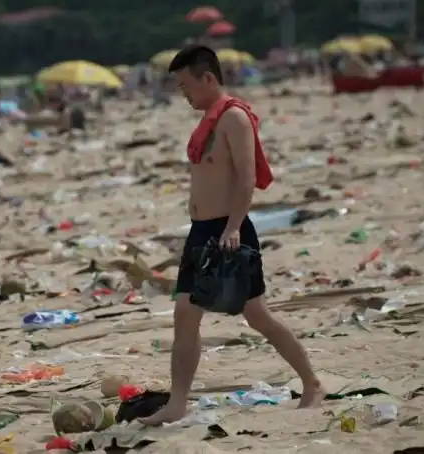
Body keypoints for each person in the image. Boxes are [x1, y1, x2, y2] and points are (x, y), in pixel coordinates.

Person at [139, 45, 325, 426]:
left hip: (229, 231)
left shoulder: (234, 118)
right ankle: (177, 403)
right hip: (201, 232)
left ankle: (312, 383)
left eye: (186, 85)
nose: (183, 93)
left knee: (257, 316)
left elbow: (245, 178)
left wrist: (234, 227)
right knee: (185, 315)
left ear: (208, 78)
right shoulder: (207, 121)